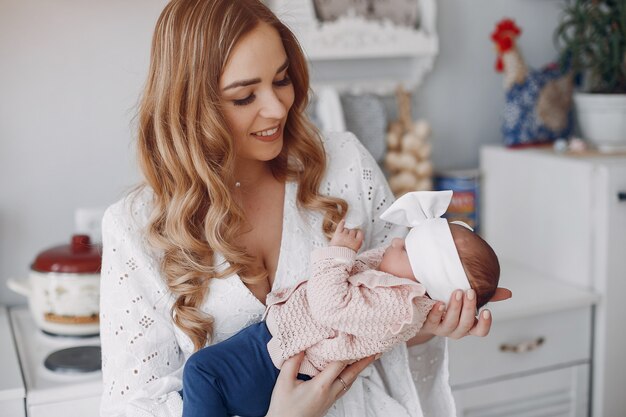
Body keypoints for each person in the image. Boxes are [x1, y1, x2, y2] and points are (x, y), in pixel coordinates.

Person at [99, 1, 512, 416]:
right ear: (190, 105)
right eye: (244, 96)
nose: (278, 108)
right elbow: (133, 404)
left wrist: (429, 325)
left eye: (281, 80)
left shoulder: (346, 166)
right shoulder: (135, 228)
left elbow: (393, 319)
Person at [181, 190, 501, 417]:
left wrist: (338, 253)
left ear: (422, 281)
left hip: (279, 366)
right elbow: (374, 265)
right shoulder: (398, 285)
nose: (397, 241)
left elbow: (331, 306)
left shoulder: (397, 305)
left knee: (201, 371)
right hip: (278, 345)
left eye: (407, 250)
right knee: (205, 384)